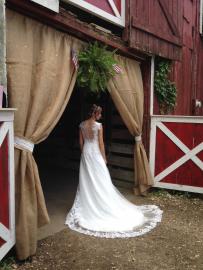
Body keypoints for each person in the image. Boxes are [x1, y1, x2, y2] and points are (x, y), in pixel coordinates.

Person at [65, 104, 162, 238]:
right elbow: (101, 144)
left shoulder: (82, 125)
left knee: (87, 180)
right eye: (99, 114)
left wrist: (84, 154)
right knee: (102, 179)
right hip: (96, 154)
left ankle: (91, 203)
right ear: (95, 114)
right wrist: (104, 158)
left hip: (86, 154)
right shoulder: (98, 126)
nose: (101, 116)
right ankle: (102, 204)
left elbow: (81, 143)